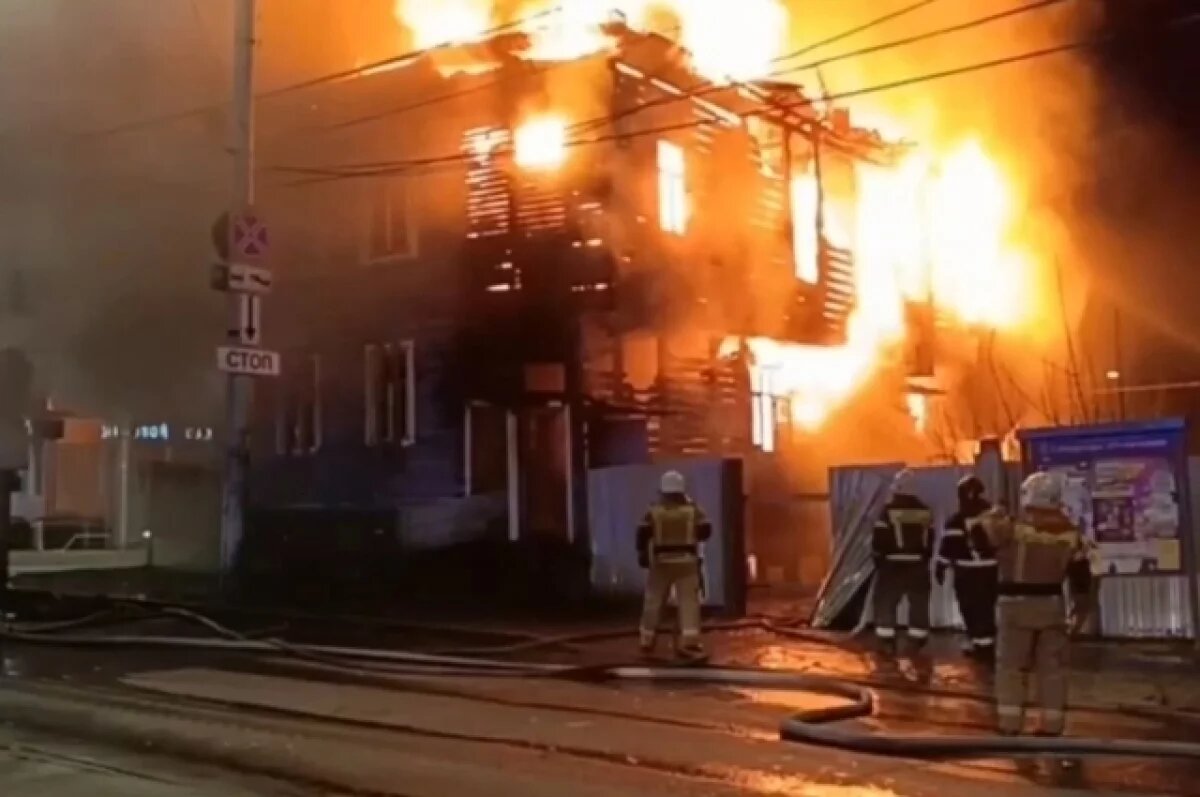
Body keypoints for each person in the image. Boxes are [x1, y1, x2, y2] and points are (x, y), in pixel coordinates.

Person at [981, 471, 1093, 736]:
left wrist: (994, 512)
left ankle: (1010, 724)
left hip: (1015, 606)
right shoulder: (1069, 532)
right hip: (1052, 606)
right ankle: (1052, 724)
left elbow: (981, 537)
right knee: (1052, 669)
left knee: (1011, 667)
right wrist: (1079, 611)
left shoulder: (1013, 527)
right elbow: (1081, 578)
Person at [636, 470, 712, 658]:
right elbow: (706, 532)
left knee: (653, 602)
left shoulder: (653, 511)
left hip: (661, 563)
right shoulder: (694, 510)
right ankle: (690, 642)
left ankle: (647, 641)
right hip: (686, 562)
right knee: (689, 602)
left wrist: (643, 555)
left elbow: (641, 535)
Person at [871, 469, 934, 654]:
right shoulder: (925, 511)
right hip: (918, 565)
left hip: (892, 565)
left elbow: (879, 540)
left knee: (886, 602)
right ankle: (917, 640)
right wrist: (924, 559)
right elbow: (930, 538)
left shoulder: (888, 511)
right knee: (919, 603)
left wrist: (878, 560)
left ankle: (887, 641)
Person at [936, 475, 999, 660]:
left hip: (967, 573)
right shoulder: (993, 516)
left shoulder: (956, 520)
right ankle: (989, 644)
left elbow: (948, 547)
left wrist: (941, 567)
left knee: (971, 609)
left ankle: (981, 646)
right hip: (991, 571)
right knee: (987, 608)